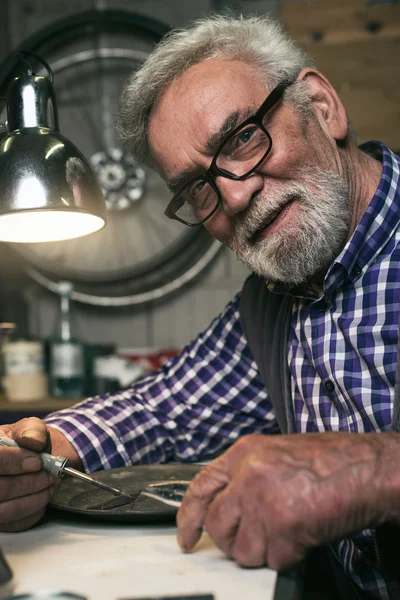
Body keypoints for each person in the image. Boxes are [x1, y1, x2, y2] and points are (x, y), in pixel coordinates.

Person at [0, 14, 399, 599]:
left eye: (242, 138)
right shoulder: (271, 305)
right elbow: (165, 410)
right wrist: (37, 452)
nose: (234, 195)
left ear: (321, 105)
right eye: (198, 188)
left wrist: (375, 468)